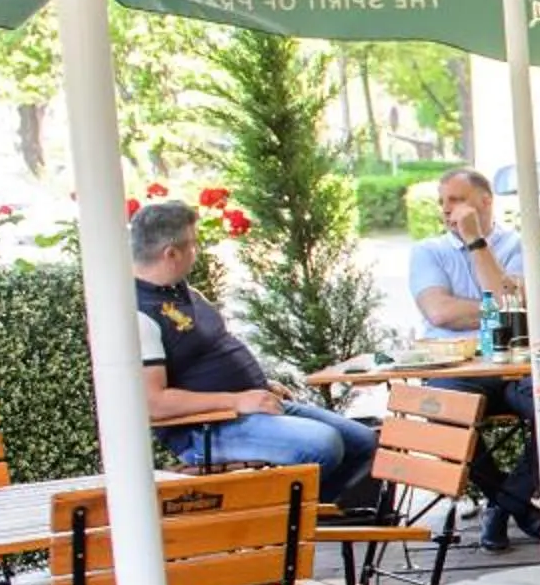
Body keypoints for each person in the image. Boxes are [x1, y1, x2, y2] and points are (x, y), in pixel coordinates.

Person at [132, 199, 377, 511]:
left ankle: (309, 523)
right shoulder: (139, 315)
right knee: (322, 446)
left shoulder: (183, 291)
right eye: (194, 244)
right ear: (171, 253)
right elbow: (153, 403)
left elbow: (212, 353)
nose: (197, 252)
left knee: (363, 443)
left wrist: (258, 384)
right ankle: (283, 529)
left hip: (253, 406)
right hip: (208, 428)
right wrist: (236, 400)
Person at [409, 168, 540, 551]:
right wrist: (500, 307)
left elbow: (516, 305)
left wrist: (476, 242)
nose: (446, 210)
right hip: (457, 370)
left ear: (485, 201)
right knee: (443, 412)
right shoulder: (428, 252)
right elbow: (439, 313)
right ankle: (515, 505)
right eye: (442, 202)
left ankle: (503, 506)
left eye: (455, 200)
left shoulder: (519, 247)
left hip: (517, 367)